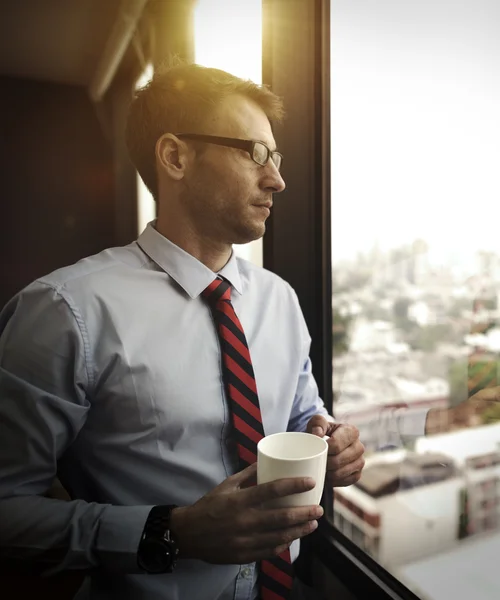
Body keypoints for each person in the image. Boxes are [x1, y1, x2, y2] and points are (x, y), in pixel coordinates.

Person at [0, 62, 365, 600]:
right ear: (175, 156)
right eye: (256, 153)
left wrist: (331, 438)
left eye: (277, 157)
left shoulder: (279, 300)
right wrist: (171, 532)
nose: (278, 179)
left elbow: (300, 412)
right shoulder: (65, 311)